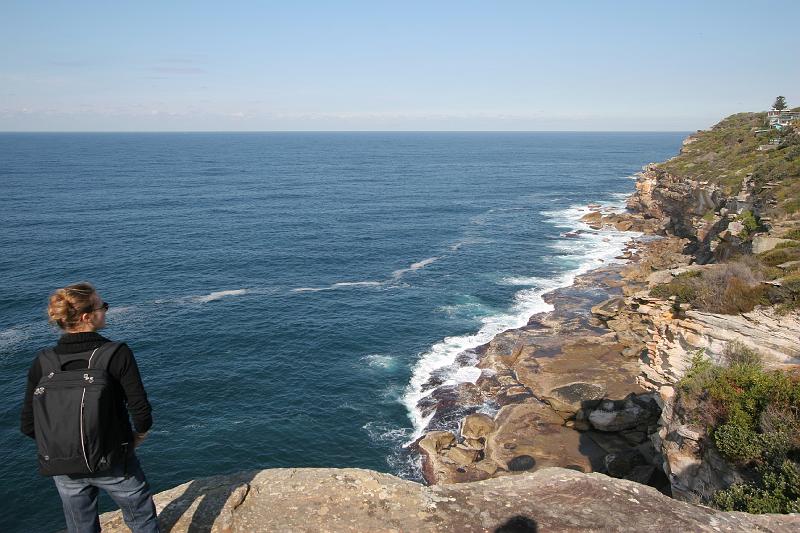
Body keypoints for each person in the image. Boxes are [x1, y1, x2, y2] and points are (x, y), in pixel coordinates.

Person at [20, 282, 160, 533]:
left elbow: (28, 425)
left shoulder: (43, 362)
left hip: (63, 465)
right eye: (102, 306)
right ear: (87, 317)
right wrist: (134, 439)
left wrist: (64, 445)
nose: (106, 310)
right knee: (140, 518)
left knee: (80, 527)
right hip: (113, 458)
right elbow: (141, 413)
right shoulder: (116, 354)